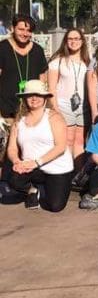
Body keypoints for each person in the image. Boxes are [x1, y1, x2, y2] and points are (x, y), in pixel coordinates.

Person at [7, 80, 74, 211]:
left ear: (45, 98)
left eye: (38, 95)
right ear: (24, 98)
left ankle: (49, 187)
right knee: (14, 178)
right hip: (30, 167)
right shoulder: (19, 120)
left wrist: (36, 162)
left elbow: (60, 147)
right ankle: (32, 190)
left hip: (56, 168)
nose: (34, 98)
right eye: (30, 95)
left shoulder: (54, 117)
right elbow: (12, 147)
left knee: (55, 206)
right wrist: (16, 161)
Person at [47, 28, 90, 168]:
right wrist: (55, 108)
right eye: (70, 39)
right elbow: (51, 88)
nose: (74, 42)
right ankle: (66, 171)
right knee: (68, 140)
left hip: (83, 107)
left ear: (82, 41)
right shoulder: (57, 62)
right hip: (64, 106)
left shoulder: (88, 62)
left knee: (80, 141)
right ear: (66, 41)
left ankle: (77, 174)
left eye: (77, 38)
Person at [0, 14, 48, 125]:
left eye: (28, 30)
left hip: (32, 110)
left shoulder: (37, 50)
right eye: (21, 29)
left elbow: (42, 79)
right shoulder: (2, 48)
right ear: (12, 28)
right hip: (6, 112)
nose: (25, 34)